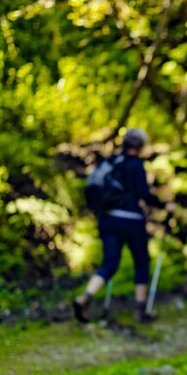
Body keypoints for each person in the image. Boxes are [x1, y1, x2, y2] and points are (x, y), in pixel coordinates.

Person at [74, 127, 163, 323]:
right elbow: (144, 195)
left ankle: (85, 297)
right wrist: (164, 205)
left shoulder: (111, 162)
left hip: (108, 219)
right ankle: (141, 310)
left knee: (109, 264)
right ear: (140, 146)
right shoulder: (135, 165)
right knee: (142, 261)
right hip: (131, 220)